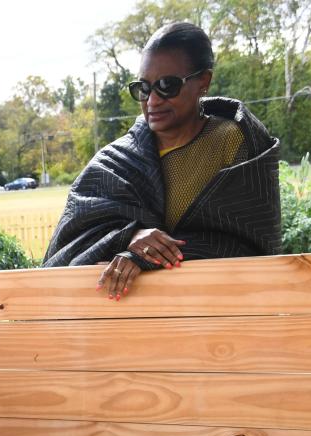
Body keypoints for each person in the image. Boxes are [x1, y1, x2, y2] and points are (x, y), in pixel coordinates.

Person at [44, 22, 281, 299]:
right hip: (131, 319)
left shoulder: (235, 141)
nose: (153, 100)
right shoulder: (115, 162)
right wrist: (129, 236)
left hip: (221, 308)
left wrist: (150, 256)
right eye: (143, 88)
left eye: (167, 85)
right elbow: (67, 248)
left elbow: (248, 242)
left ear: (203, 82)